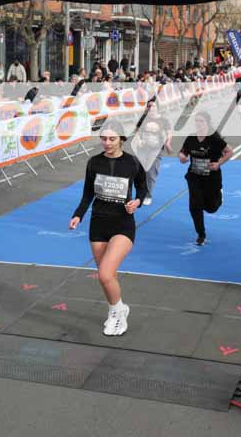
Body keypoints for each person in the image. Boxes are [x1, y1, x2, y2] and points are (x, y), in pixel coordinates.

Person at [68, 121, 147, 336]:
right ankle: (117, 310)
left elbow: (142, 187)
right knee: (108, 276)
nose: (107, 142)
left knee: (104, 274)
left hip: (123, 223)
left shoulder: (132, 162)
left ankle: (118, 313)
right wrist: (78, 215)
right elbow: (87, 193)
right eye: (104, 138)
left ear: (122, 139)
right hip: (98, 223)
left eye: (112, 138)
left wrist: (137, 201)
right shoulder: (94, 162)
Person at [179, 111, 233, 246]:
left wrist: (219, 163)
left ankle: (219, 195)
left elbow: (229, 151)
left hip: (211, 178)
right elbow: (183, 152)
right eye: (196, 121)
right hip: (194, 177)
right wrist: (182, 157)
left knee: (211, 208)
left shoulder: (214, 138)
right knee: (194, 206)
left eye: (201, 121)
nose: (198, 123)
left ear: (207, 123)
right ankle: (201, 234)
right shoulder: (191, 138)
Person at [131, 97, 172, 206]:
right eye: (148, 106)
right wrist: (138, 140)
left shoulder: (163, 120)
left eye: (153, 106)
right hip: (142, 149)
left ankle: (148, 195)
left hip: (155, 150)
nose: (150, 108)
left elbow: (169, 132)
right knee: (139, 172)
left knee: (150, 173)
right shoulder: (143, 119)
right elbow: (136, 131)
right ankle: (139, 194)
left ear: (157, 107)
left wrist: (168, 143)